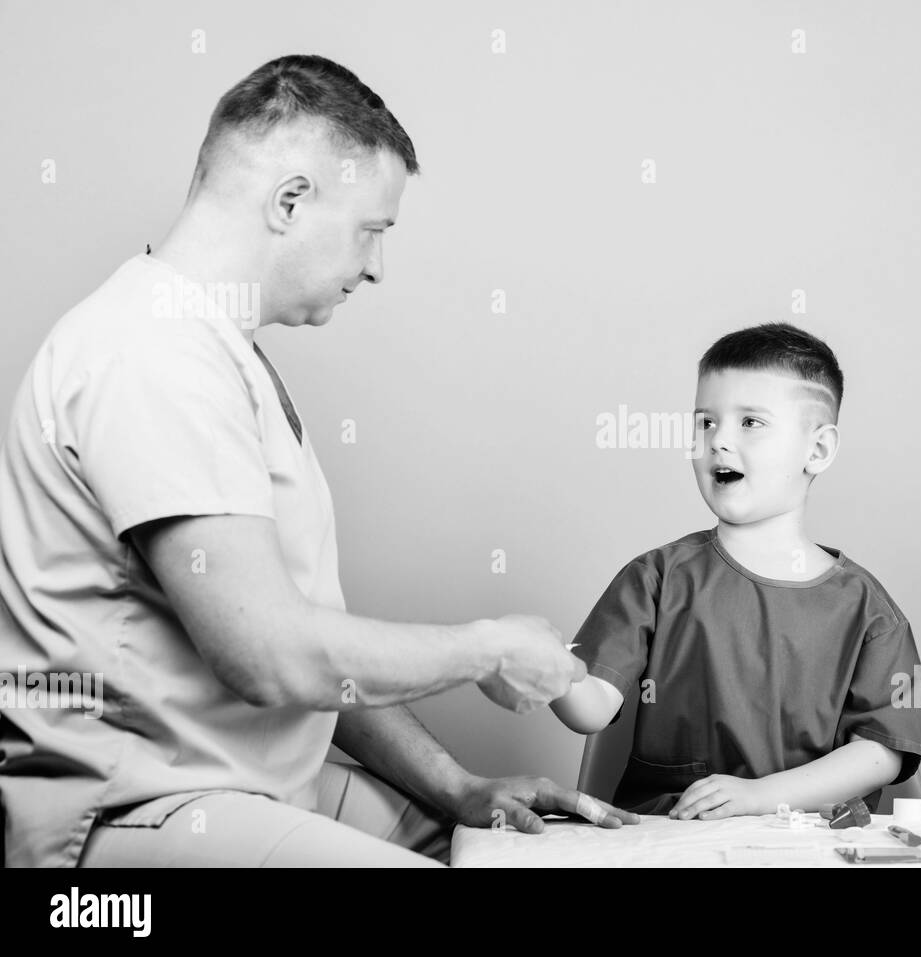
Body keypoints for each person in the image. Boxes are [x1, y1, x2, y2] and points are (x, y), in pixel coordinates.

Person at [0, 54, 636, 869]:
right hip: (131, 817)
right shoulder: (151, 351)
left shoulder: (220, 352)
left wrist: (458, 787)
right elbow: (270, 654)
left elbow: (315, 653)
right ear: (291, 200)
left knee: (511, 850)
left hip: (246, 785)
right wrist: (487, 647)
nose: (376, 266)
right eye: (374, 229)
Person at [551, 323, 921, 818]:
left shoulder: (870, 614)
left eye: (750, 422)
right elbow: (592, 706)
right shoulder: (656, 579)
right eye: (705, 422)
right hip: (675, 838)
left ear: (817, 449)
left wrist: (759, 797)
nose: (718, 440)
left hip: (809, 846)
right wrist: (543, 668)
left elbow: (881, 752)